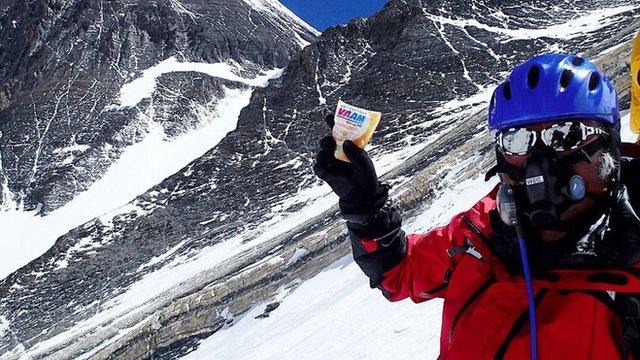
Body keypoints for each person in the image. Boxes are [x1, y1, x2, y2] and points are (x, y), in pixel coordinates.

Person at [314, 54, 640, 359]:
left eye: (566, 135)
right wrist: (364, 204)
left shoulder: (631, 272)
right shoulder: (483, 233)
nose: (538, 164)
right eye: (517, 140)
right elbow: (400, 272)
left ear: (608, 146)